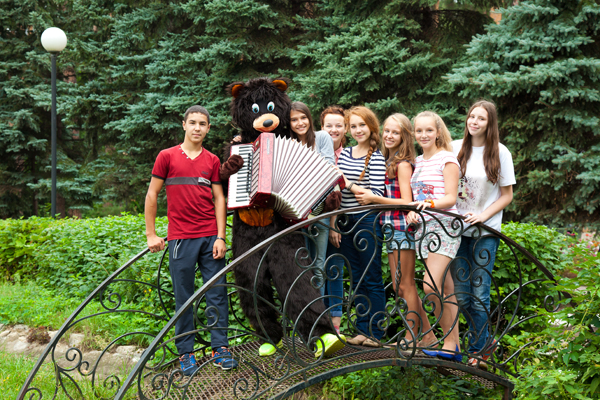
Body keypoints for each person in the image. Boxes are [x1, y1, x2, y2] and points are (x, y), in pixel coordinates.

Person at [145, 105, 238, 376]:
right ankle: (186, 352)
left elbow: (219, 198)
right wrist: (151, 234)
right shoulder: (167, 156)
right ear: (184, 124)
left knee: (217, 292)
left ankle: (220, 348)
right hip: (180, 239)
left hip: (210, 238)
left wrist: (221, 236)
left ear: (208, 128)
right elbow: (152, 195)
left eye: (203, 124)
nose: (197, 128)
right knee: (184, 296)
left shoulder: (212, 160)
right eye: (193, 122)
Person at [355, 113, 436, 347]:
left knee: (405, 285)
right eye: (387, 131)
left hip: (402, 228)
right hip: (390, 228)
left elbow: (407, 202)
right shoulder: (388, 160)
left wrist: (374, 198)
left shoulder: (402, 164)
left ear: (404, 136)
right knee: (399, 286)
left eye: (396, 132)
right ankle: (428, 337)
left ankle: (411, 338)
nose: (389, 136)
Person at [450, 100, 515, 369]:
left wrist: (483, 216)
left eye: (481, 118)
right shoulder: (454, 147)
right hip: (456, 231)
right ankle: (487, 340)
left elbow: (507, 195)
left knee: (480, 293)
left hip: (485, 233)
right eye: (472, 116)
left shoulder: (500, 152)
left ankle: (479, 351)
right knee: (461, 295)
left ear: (490, 124)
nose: (474, 122)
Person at [405, 111, 462, 362]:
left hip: (445, 226)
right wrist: (412, 212)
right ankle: (453, 344)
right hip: (425, 229)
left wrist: (427, 204)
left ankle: (448, 340)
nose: (424, 135)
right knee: (446, 288)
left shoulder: (447, 159)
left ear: (438, 132)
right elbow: (417, 197)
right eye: (419, 130)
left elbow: (450, 198)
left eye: (429, 130)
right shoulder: (418, 161)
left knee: (430, 285)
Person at [333, 105, 386, 346]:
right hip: (346, 220)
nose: (357, 130)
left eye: (362, 125)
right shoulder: (345, 153)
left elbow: (375, 194)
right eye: (353, 126)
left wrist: (349, 184)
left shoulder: (376, 157)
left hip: (366, 220)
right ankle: (362, 330)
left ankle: (375, 333)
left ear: (371, 126)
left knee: (371, 276)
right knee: (357, 277)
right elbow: (338, 187)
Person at [290, 101, 335, 295]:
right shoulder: (286, 143)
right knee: (300, 263)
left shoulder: (322, 137)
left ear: (309, 118)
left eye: (303, 118)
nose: (300, 123)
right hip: (295, 212)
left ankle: (319, 309)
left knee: (318, 263)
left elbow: (329, 167)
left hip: (319, 208)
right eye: (294, 120)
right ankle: (304, 308)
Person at [320, 105, 348, 333]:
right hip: (321, 219)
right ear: (321, 128)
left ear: (345, 128)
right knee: (316, 270)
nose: (333, 129)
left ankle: (336, 326)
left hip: (342, 221)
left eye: (338, 125)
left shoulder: (348, 156)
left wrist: (334, 225)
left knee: (335, 270)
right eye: (328, 125)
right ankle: (318, 322)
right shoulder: (318, 150)